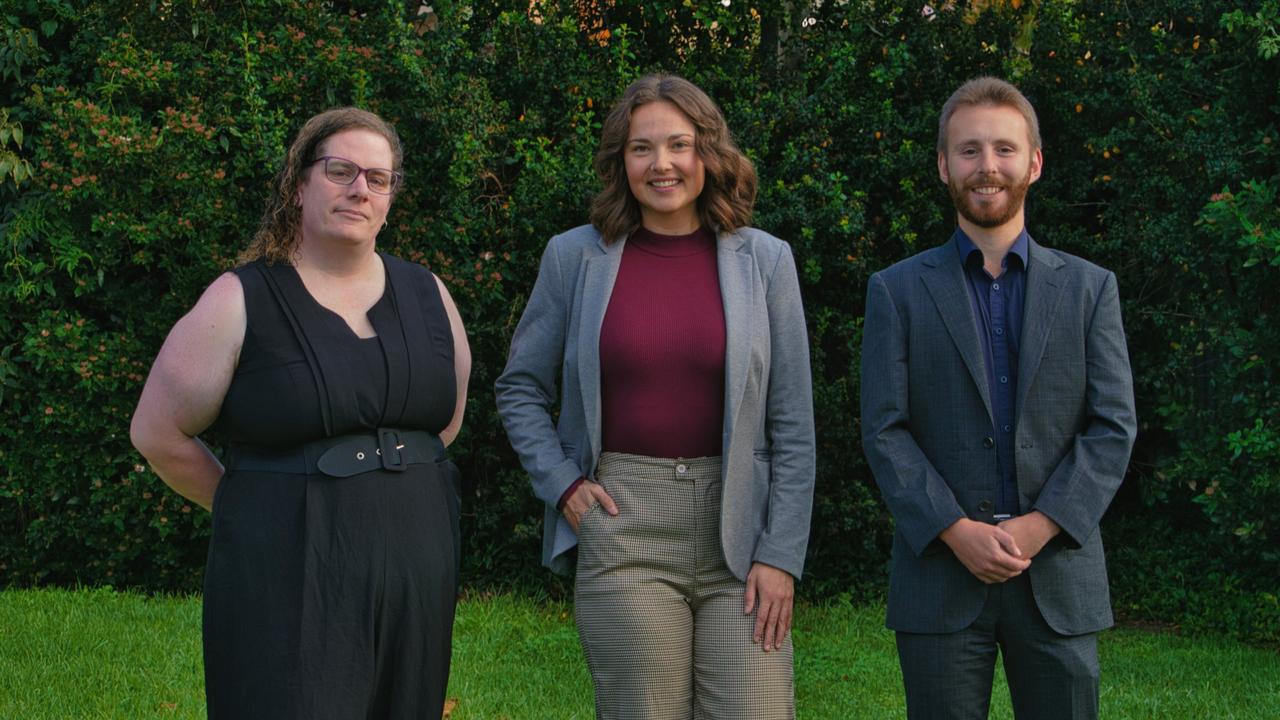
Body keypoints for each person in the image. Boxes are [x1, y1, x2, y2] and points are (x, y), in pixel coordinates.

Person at [130, 107, 470, 719]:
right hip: (287, 569)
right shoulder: (240, 298)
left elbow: (444, 422)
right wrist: (260, 504)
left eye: (378, 177)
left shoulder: (429, 294)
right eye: (341, 171)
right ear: (299, 183)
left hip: (419, 562)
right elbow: (157, 431)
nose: (360, 189)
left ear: (391, 197)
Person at [495, 74, 815, 719]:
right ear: (621, 161)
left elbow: (792, 423)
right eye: (642, 149)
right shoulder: (574, 257)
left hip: (741, 525)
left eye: (680, 145)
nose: (662, 164)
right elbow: (520, 387)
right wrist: (562, 484)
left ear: (709, 154)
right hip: (624, 524)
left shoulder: (766, 261)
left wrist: (781, 554)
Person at [860, 76, 1138, 719]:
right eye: (969, 151)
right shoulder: (896, 291)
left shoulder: (1091, 289)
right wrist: (957, 532)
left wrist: (1040, 526)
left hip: (1058, 576)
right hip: (940, 575)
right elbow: (884, 430)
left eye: (1005, 150)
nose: (988, 167)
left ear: (1034, 163)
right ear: (942, 166)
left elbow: (1112, 427)